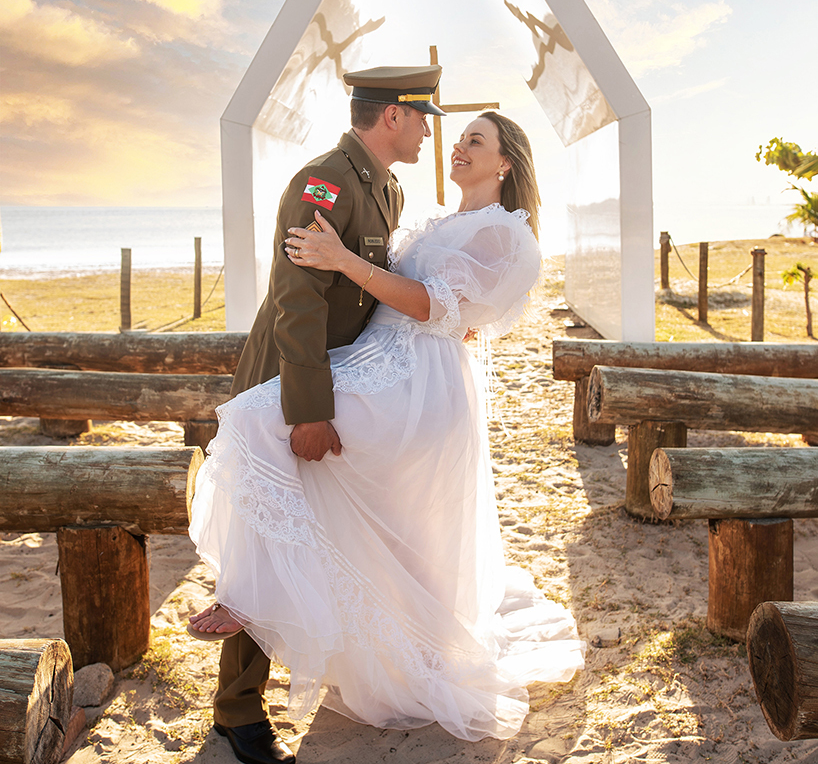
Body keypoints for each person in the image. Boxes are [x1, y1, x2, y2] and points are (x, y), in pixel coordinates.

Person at [188, 109, 585, 748]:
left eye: (473, 141)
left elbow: (431, 303)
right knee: (393, 527)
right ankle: (294, 615)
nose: (451, 144)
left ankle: (248, 597)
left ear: (505, 163)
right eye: (455, 136)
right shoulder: (435, 214)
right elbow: (425, 297)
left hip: (412, 378)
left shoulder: (505, 233)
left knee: (258, 426)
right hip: (385, 361)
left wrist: (344, 260)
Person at [192, 65, 444, 764]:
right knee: (265, 534)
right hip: (288, 383)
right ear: (393, 115)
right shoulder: (323, 183)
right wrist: (307, 411)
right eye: (423, 116)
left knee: (319, 532)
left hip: (340, 383)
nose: (429, 129)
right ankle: (238, 713)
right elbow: (296, 303)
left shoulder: (387, 187)